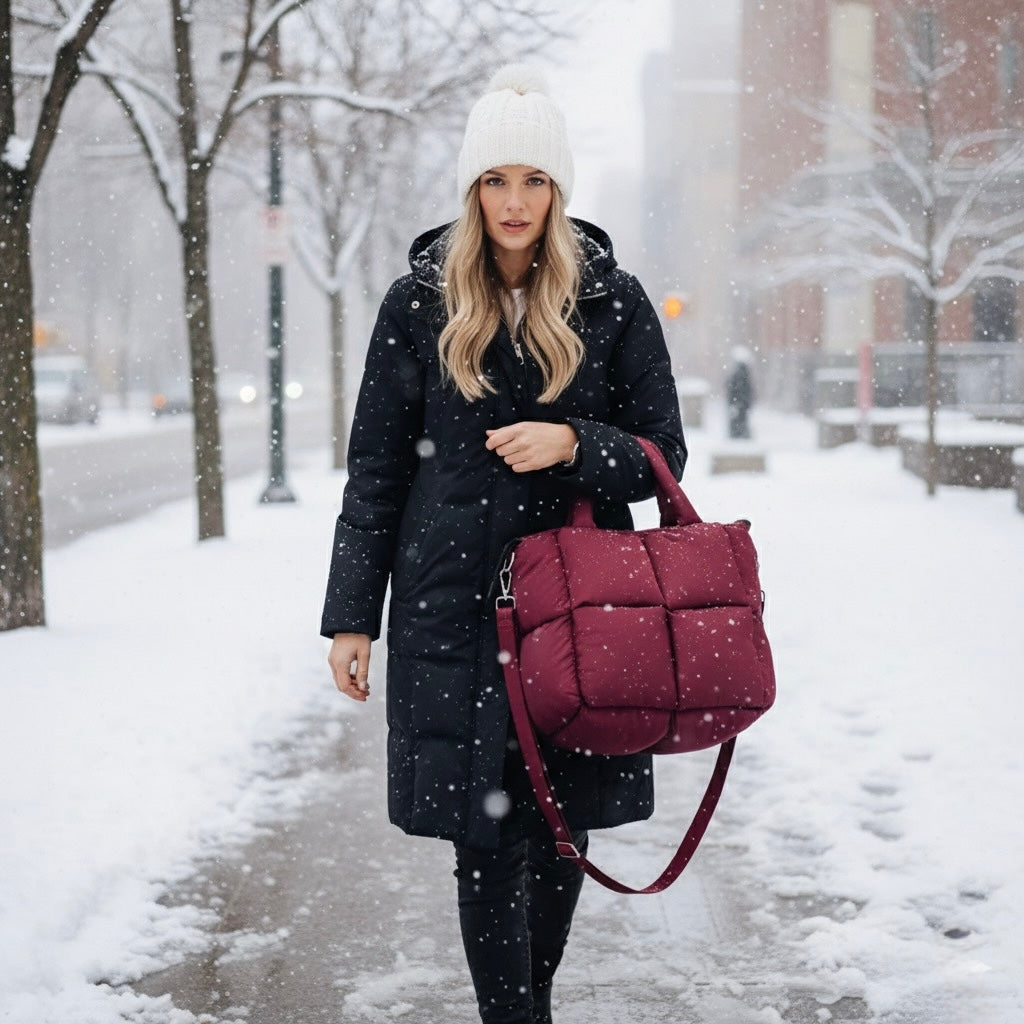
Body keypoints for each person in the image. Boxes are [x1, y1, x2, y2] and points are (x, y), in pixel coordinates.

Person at [321, 64, 686, 1024]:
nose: (514, 202)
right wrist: (352, 618)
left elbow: (664, 455)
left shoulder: (612, 301)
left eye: (533, 180)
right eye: (494, 180)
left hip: (579, 611)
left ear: (558, 190)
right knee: (484, 842)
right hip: (453, 610)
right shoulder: (418, 305)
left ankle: (530, 1005)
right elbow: (376, 473)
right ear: (471, 189)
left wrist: (577, 445)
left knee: (560, 832)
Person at [726, 345, 754, 439]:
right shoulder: (744, 375)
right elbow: (748, 390)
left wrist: (732, 402)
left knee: (738, 421)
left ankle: (737, 434)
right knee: (741, 421)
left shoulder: (737, 374)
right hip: (741, 403)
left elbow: (732, 390)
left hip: (738, 403)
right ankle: (740, 434)